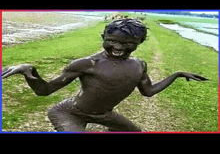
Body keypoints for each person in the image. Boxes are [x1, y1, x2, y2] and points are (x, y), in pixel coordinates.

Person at [2, 18, 208, 132]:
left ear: (139, 43)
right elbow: (44, 91)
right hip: (70, 112)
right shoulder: (87, 64)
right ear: (104, 37)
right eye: (112, 41)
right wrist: (29, 72)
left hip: (104, 114)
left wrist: (177, 74)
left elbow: (148, 92)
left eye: (128, 44)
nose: (118, 48)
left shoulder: (139, 65)